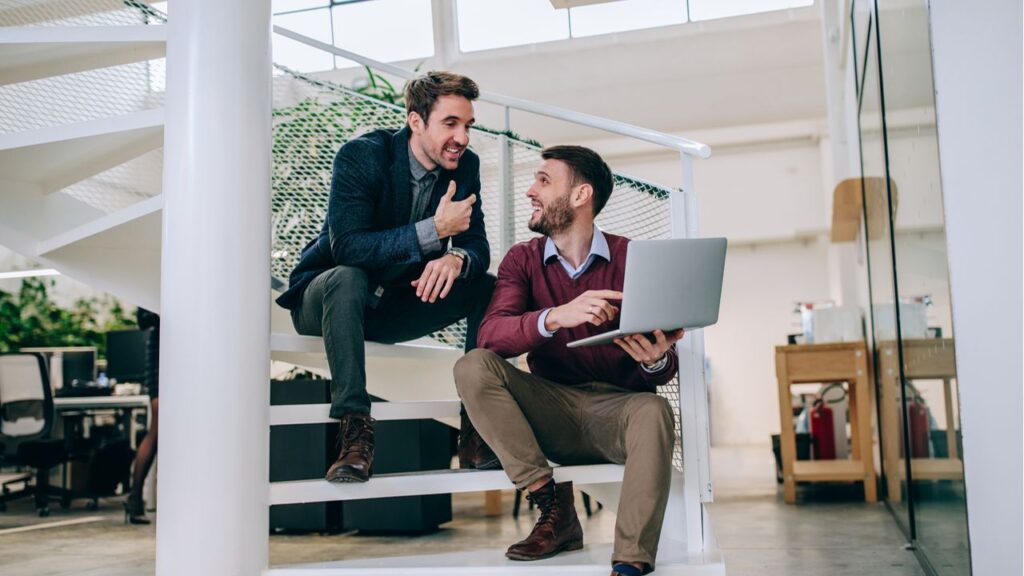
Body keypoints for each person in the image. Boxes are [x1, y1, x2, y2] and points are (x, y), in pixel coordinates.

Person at [454, 146, 685, 576]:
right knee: (472, 365)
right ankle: (553, 507)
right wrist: (556, 316)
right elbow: (490, 336)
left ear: (581, 195)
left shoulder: (633, 258)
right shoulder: (522, 260)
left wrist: (656, 361)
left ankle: (630, 563)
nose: (530, 191)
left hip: (618, 412)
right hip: (550, 409)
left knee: (655, 408)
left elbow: (664, 361)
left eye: (543, 181)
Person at [275, 71, 498, 483]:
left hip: (394, 302)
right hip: (326, 298)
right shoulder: (362, 155)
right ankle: (355, 432)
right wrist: (435, 231)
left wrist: (457, 259)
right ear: (416, 122)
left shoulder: (465, 167)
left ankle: (476, 430)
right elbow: (349, 248)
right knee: (348, 277)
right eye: (450, 123)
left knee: (486, 286)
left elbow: (478, 245)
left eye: (468, 125)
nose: (463, 137)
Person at [124, 307, 159, 524]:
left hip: (184, 348)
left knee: (160, 432)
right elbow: (143, 320)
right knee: (157, 431)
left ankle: (135, 497)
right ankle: (135, 495)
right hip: (161, 350)